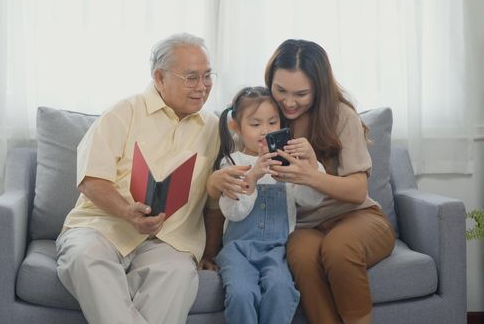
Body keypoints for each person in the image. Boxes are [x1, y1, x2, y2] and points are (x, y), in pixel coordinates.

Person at [205, 39, 395, 324]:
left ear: (318, 88)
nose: (289, 102)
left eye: (301, 93)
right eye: (281, 90)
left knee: (338, 249)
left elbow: (357, 192)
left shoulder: (340, 116)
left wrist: (311, 175)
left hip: (355, 215)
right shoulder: (268, 114)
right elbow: (234, 152)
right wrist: (217, 181)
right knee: (302, 259)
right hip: (303, 226)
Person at [55, 32, 220, 324]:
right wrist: (126, 211)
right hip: (102, 228)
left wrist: (211, 251)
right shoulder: (123, 112)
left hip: (170, 242)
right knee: (84, 258)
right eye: (191, 77)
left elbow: (214, 201)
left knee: (180, 275)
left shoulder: (214, 129)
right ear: (159, 77)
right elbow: (91, 179)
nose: (202, 87)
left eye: (207, 76)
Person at [211, 86, 326, 324]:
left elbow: (311, 200)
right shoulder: (231, 162)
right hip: (238, 250)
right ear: (236, 127)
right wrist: (251, 178)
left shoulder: (286, 161)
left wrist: (310, 165)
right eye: (255, 125)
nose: (265, 131)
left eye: (273, 123)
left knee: (281, 290)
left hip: (279, 249)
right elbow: (233, 212)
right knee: (242, 294)